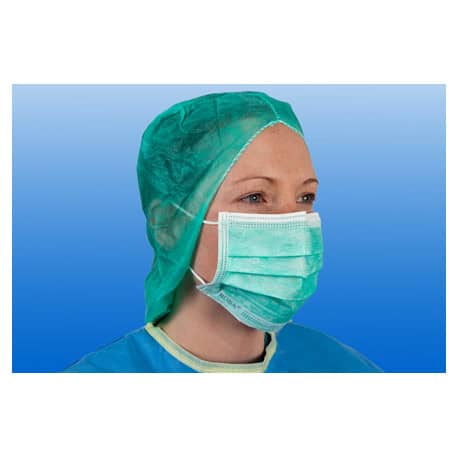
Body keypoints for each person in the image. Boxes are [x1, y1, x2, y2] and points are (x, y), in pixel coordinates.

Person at [63, 90, 383, 373]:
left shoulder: (346, 369)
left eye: (305, 197)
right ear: (169, 225)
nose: (293, 224)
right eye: (255, 197)